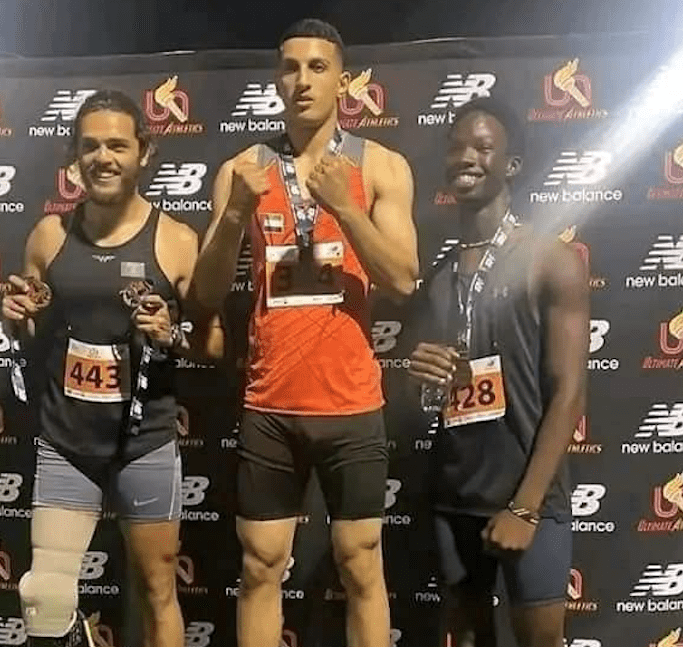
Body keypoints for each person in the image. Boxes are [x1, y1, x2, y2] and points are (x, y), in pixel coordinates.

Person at [191, 18, 419, 647]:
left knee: (360, 563)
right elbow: (204, 298)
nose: (302, 80)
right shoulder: (242, 170)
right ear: (276, 79)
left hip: (351, 403)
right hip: (270, 403)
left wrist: (345, 207)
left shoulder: (382, 167)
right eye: (290, 67)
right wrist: (237, 210)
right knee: (261, 566)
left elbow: (403, 278)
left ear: (343, 80)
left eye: (317, 67)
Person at [1, 89, 221, 647]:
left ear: (143, 152)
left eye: (117, 145)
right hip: (67, 444)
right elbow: (28, 331)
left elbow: (214, 343)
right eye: (91, 146)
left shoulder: (176, 240)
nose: (103, 158)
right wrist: (14, 318)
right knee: (44, 598)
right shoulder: (49, 235)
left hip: (144, 445)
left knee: (156, 591)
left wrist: (173, 333)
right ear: (75, 155)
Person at [407, 97, 589, 647]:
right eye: (457, 146)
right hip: (454, 496)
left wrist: (524, 508)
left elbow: (570, 392)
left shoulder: (550, 259)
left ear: (510, 166)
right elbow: (429, 399)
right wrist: (422, 379)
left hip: (529, 499)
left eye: (483, 147)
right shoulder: (437, 273)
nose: (466, 157)